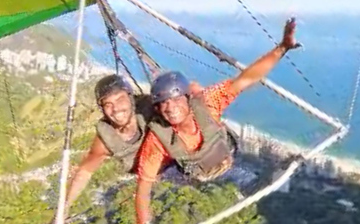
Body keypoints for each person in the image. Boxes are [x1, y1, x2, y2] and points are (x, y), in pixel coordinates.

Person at [133, 18, 302, 224]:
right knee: (157, 170)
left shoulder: (207, 103)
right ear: (158, 109)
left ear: (187, 98)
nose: (170, 107)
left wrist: (282, 48)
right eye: (163, 104)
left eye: (176, 99)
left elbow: (246, 79)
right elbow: (143, 190)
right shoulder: (158, 139)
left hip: (225, 155)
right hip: (193, 174)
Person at [56, 74, 153, 219]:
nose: (116, 109)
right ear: (102, 109)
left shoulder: (150, 109)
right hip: (146, 175)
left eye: (120, 99)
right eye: (108, 104)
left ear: (130, 97)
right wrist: (63, 211)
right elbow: (85, 172)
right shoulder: (106, 138)